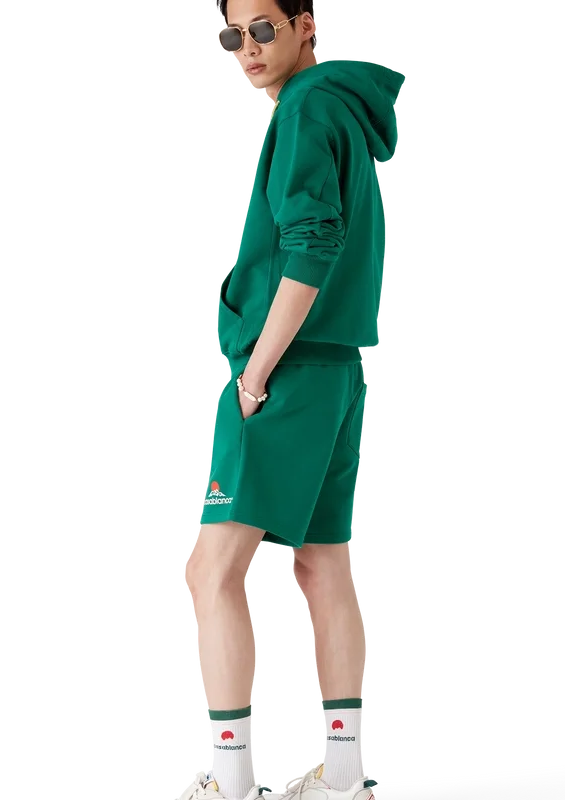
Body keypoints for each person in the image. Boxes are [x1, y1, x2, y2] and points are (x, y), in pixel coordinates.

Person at [182, 1, 404, 797]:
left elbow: (312, 245)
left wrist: (254, 375)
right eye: (230, 36)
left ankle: (230, 780)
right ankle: (343, 776)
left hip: (288, 369)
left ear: (306, 23)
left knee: (212, 569)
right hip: (338, 368)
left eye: (262, 28)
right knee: (323, 563)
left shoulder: (307, 110)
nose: (245, 48)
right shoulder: (342, 106)